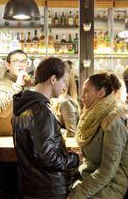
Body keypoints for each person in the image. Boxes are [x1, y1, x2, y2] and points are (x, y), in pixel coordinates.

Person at [12, 57, 79, 199]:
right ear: (53, 79)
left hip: (32, 187)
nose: (64, 87)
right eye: (63, 81)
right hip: (48, 190)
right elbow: (48, 158)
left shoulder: (23, 105)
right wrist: (76, 158)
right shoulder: (41, 110)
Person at [68, 73, 128, 198]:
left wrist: (78, 193)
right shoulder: (91, 117)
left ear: (101, 93)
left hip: (111, 185)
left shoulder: (112, 121)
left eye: (86, 91)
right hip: (90, 178)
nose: (82, 96)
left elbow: (108, 171)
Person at [0, 49, 28, 199]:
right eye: (16, 61)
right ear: (7, 65)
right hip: (7, 147)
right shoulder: (0, 85)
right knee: (9, 190)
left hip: (22, 146)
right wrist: (18, 85)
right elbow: (0, 110)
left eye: (23, 61)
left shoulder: (25, 83)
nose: (20, 65)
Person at [51, 62, 80, 137]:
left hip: (65, 146)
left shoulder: (67, 102)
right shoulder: (56, 99)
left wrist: (51, 132)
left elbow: (72, 133)